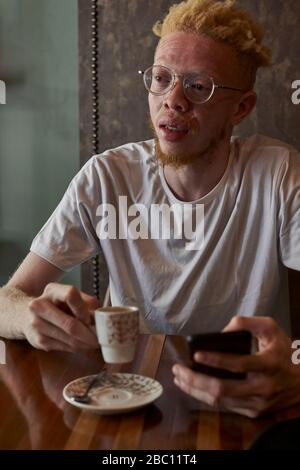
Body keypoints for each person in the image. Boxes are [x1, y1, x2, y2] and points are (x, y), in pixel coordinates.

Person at [1, 0, 300, 418]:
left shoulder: (279, 175)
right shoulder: (106, 177)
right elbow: (7, 300)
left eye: (199, 86)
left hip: (246, 403)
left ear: (241, 107)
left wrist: (295, 376)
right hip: (128, 400)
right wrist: (26, 315)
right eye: (161, 79)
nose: (172, 100)